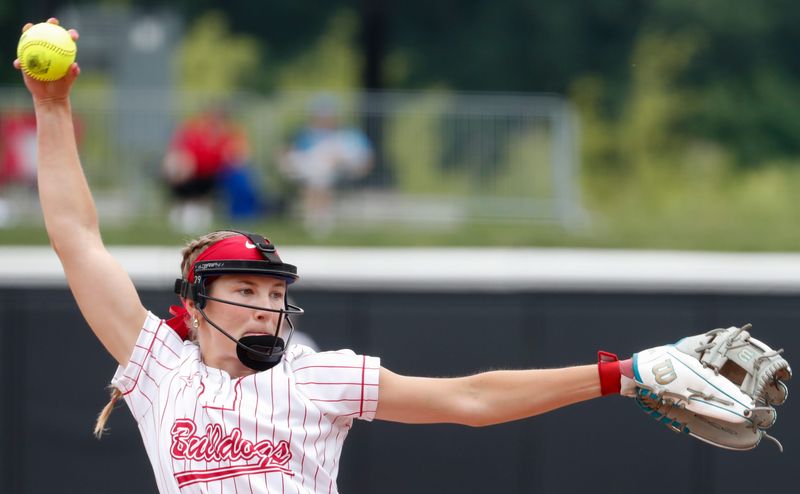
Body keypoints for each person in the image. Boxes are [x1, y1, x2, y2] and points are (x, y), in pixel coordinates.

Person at [19, 19, 781, 494]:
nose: (264, 302)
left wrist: (622, 374)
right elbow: (76, 238)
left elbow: (471, 399)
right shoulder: (158, 369)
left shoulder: (317, 376)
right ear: (195, 303)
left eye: (272, 288)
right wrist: (52, 111)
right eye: (243, 287)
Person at [279, 93, 373, 236]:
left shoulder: (348, 135)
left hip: (340, 171)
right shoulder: (307, 134)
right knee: (317, 174)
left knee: (320, 173)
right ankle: (317, 219)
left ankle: (318, 219)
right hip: (313, 169)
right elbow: (296, 152)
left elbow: (363, 159)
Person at [163, 105, 260, 232]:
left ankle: (241, 218)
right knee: (178, 171)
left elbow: (240, 156)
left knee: (241, 178)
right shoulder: (193, 131)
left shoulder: (233, 133)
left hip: (219, 174)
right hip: (194, 173)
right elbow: (178, 153)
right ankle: (186, 209)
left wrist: (233, 156)